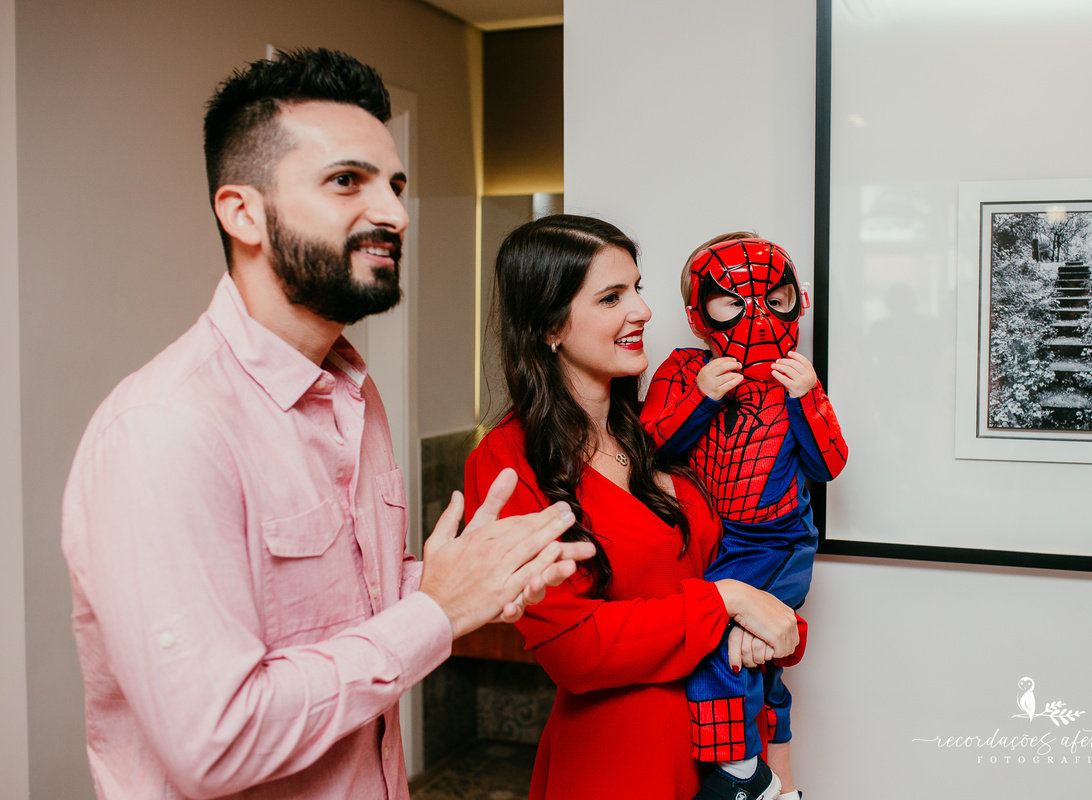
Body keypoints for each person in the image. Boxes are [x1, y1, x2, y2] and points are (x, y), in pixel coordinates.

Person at [61, 48, 593, 800]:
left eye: (396, 185)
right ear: (242, 212)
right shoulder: (165, 430)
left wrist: (462, 580)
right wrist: (436, 613)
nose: (395, 213)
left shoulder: (353, 394)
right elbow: (219, 741)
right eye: (348, 181)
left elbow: (330, 612)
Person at [463, 215, 802, 800]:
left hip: (728, 752)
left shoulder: (665, 425)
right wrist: (728, 602)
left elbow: (756, 559)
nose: (642, 310)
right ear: (549, 326)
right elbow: (575, 649)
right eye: (612, 296)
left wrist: (772, 624)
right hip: (621, 763)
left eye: (638, 288)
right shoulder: (507, 462)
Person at [639, 233, 849, 800]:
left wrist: (809, 397)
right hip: (713, 539)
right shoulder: (683, 372)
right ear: (697, 313)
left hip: (777, 543)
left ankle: (739, 775)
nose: (755, 315)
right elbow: (649, 448)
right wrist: (702, 399)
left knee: (714, 638)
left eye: (771, 299)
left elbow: (828, 465)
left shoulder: (793, 377)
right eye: (731, 302)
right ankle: (779, 786)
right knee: (757, 662)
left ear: (794, 301)